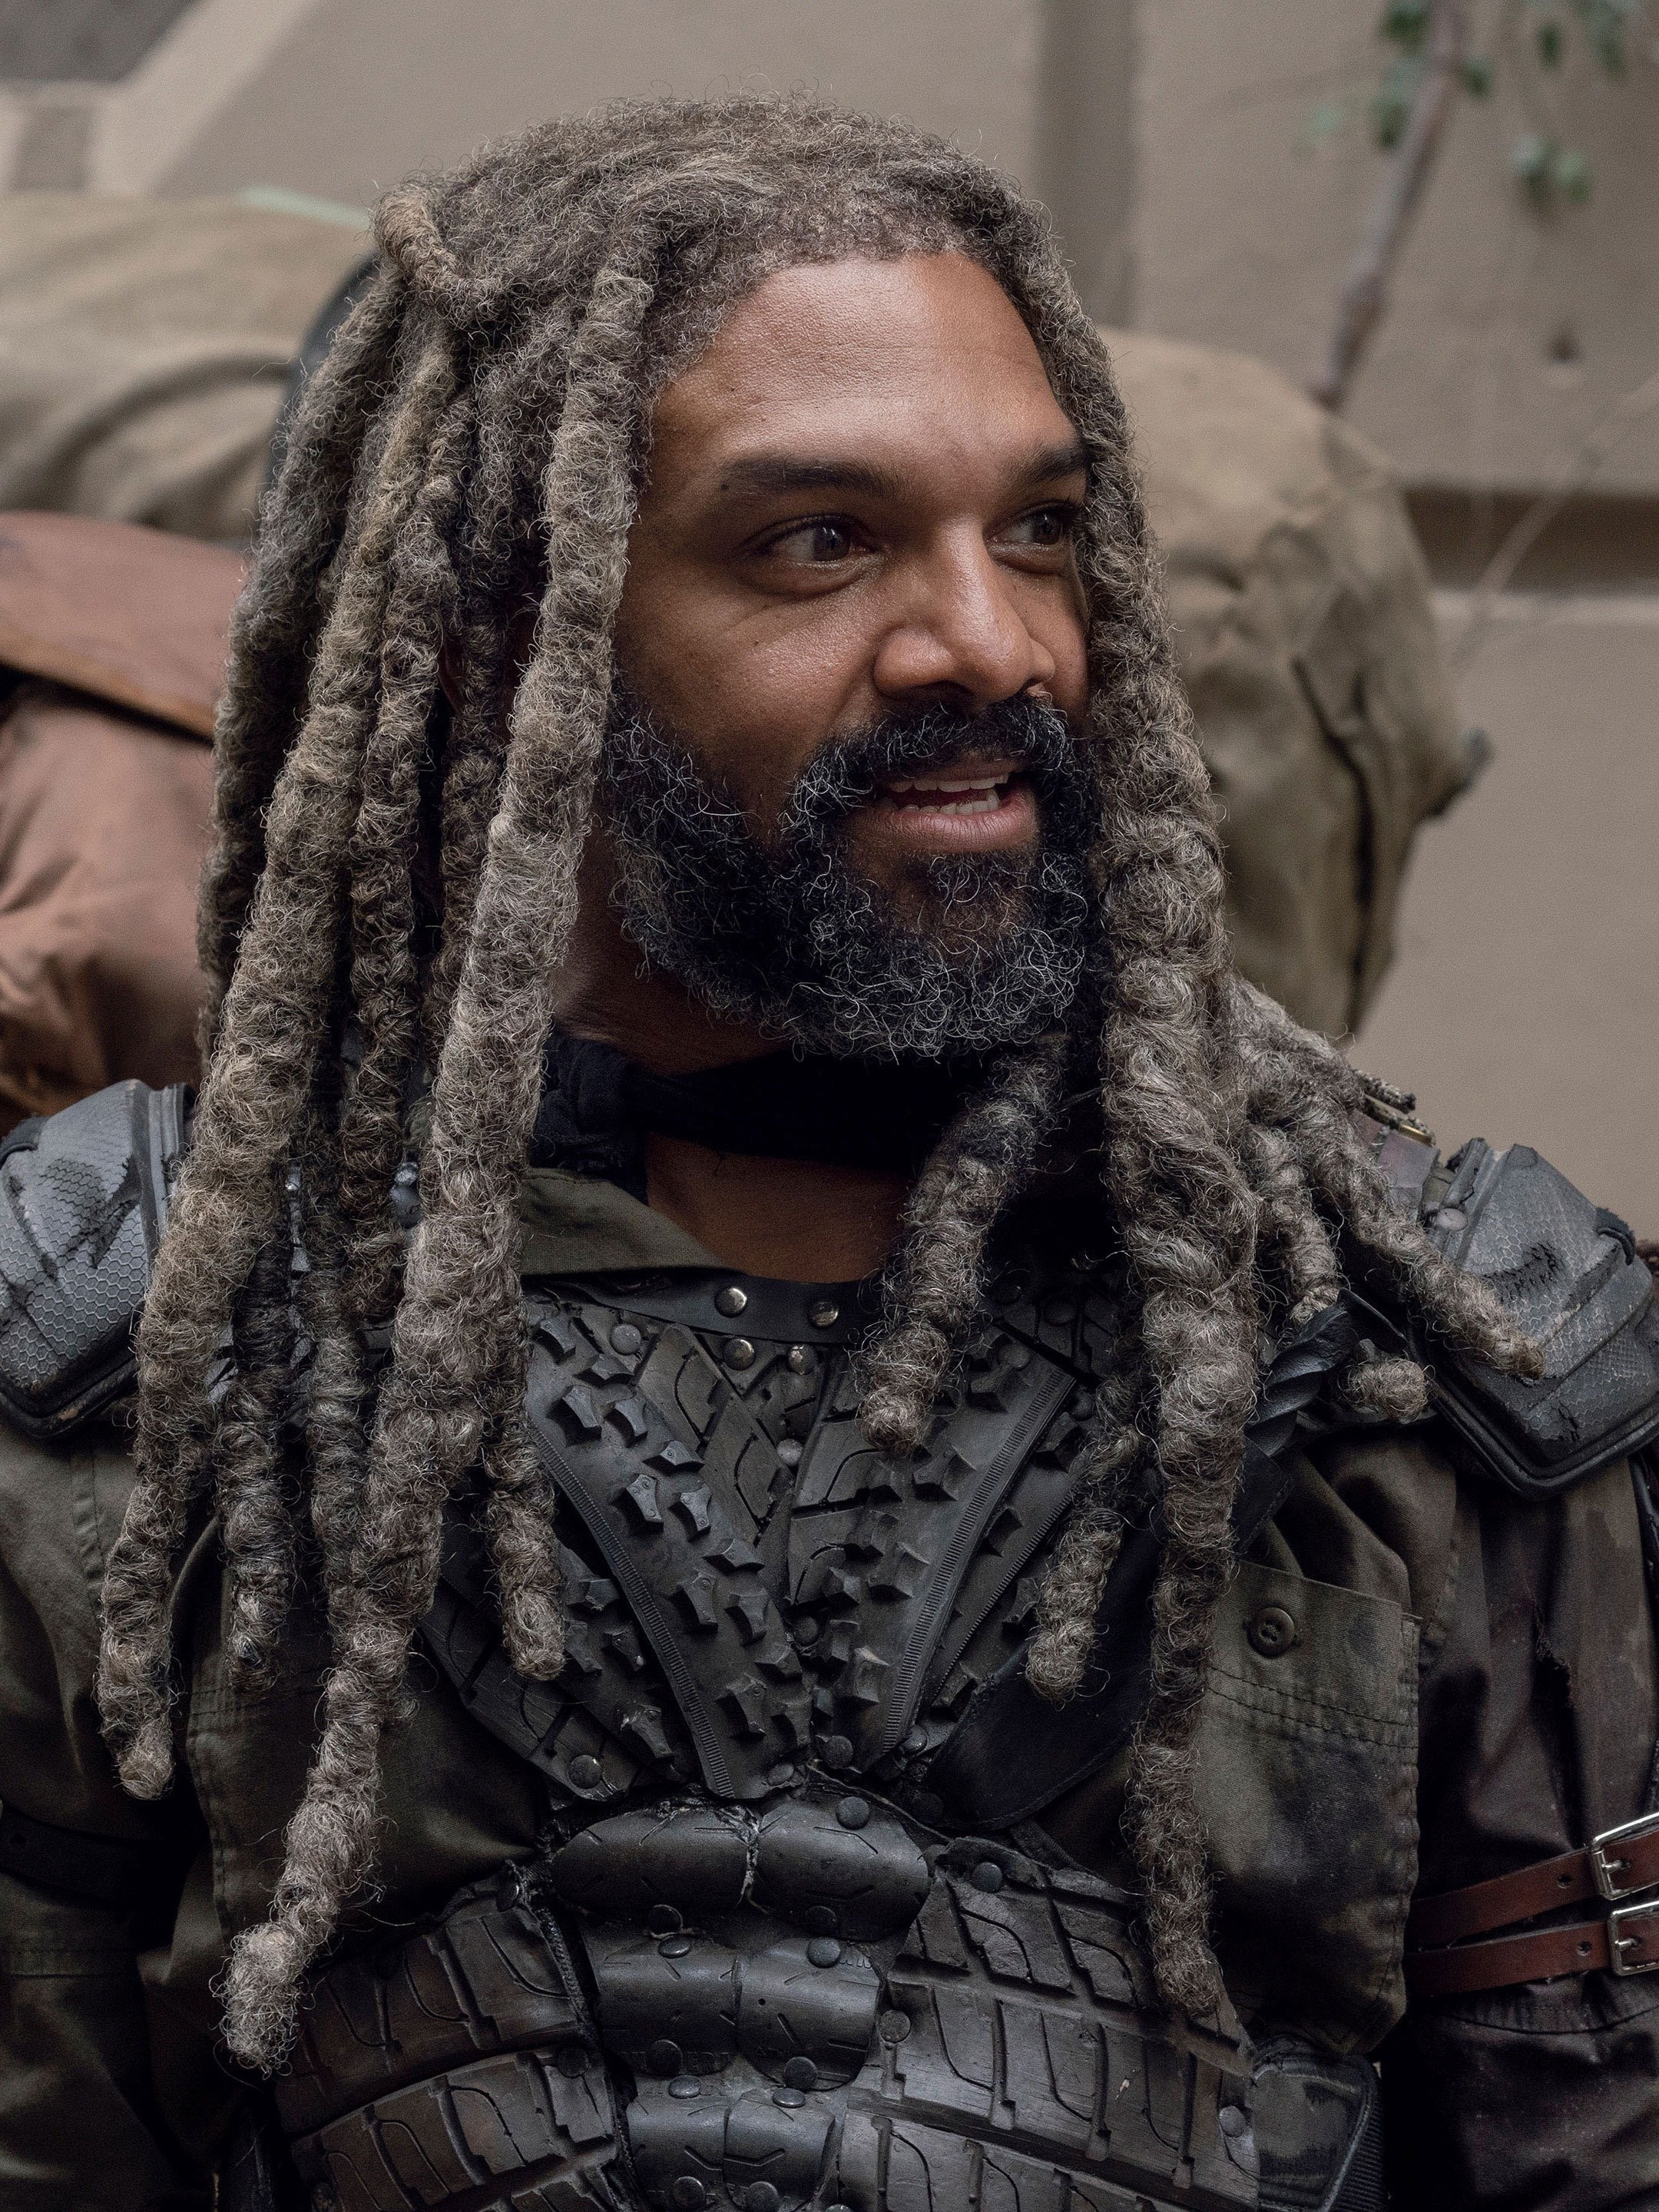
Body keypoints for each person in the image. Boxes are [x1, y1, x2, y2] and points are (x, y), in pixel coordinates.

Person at [0, 99, 1653, 2212]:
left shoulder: (1427, 1361)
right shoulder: (149, 1351)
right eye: (820, 542)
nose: (994, 641)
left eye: (1038, 531)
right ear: (507, 639)